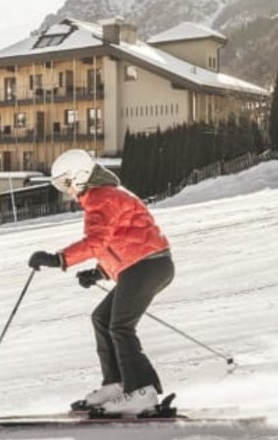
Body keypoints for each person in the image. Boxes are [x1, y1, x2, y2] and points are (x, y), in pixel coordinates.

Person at [26, 149, 175, 416]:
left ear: (80, 177)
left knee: (120, 326)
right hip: (144, 264)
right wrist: (100, 273)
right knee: (102, 319)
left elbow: (96, 243)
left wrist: (58, 259)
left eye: (66, 183)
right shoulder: (103, 196)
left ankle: (142, 391)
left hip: (148, 265)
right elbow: (118, 243)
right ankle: (117, 385)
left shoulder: (101, 197)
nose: (66, 191)